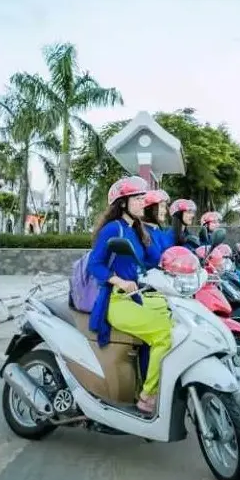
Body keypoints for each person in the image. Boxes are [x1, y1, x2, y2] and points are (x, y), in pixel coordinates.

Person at [87, 176, 173, 414]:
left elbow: (152, 260)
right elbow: (94, 265)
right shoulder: (114, 229)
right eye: (137, 199)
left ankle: (152, 380)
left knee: (173, 321)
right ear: (123, 203)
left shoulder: (136, 229)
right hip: (116, 298)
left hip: (138, 295)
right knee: (163, 334)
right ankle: (147, 396)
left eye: (143, 198)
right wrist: (120, 281)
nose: (142, 203)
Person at [143, 189, 172, 253]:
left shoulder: (157, 230)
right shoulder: (141, 231)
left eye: (165, 207)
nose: (165, 211)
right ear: (150, 208)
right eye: (162, 206)